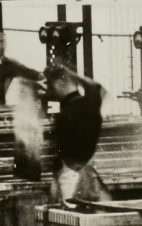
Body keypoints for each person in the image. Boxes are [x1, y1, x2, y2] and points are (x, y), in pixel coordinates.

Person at [41, 63, 110, 204]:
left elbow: (60, 155)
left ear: (60, 83)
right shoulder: (91, 104)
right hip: (89, 174)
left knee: (68, 219)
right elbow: (99, 88)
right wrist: (75, 76)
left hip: (69, 179)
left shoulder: (64, 115)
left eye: (51, 85)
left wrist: (55, 181)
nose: (50, 90)